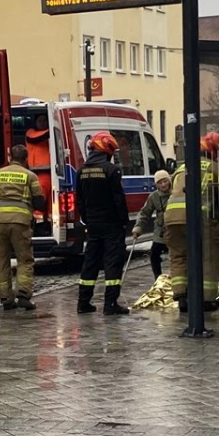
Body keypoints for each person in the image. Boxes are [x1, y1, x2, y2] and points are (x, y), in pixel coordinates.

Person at [165, 131, 219, 312]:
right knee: (209, 255)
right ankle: (206, 300)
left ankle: (181, 296)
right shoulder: (215, 168)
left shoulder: (182, 167)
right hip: (198, 216)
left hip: (172, 218)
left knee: (179, 256)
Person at [0, 144, 46, 310]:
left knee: (1, 261)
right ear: (25, 159)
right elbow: (39, 202)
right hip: (20, 223)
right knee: (24, 259)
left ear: (10, 158)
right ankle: (23, 295)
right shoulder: (30, 176)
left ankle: (6, 299)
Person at [76, 131, 130, 315]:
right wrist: (124, 222)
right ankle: (110, 304)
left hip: (93, 225)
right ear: (106, 150)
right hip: (112, 225)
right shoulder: (111, 170)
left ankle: (83, 303)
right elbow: (119, 200)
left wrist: (88, 220)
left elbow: (80, 201)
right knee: (112, 264)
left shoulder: (81, 171)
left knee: (90, 263)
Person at [132, 169, 172, 279]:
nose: (163, 184)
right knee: (154, 254)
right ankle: (157, 278)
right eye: (160, 183)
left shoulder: (176, 193)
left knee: (175, 255)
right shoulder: (153, 197)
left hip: (174, 230)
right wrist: (138, 227)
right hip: (160, 231)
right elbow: (145, 213)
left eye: (165, 181)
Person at [25, 114, 52, 222]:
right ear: (34, 122)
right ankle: (39, 224)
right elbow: (36, 139)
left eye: (45, 120)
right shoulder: (30, 133)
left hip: (51, 173)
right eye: (40, 120)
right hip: (37, 173)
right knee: (39, 199)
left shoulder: (49, 135)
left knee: (51, 201)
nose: (42, 122)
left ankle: (48, 222)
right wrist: (54, 129)